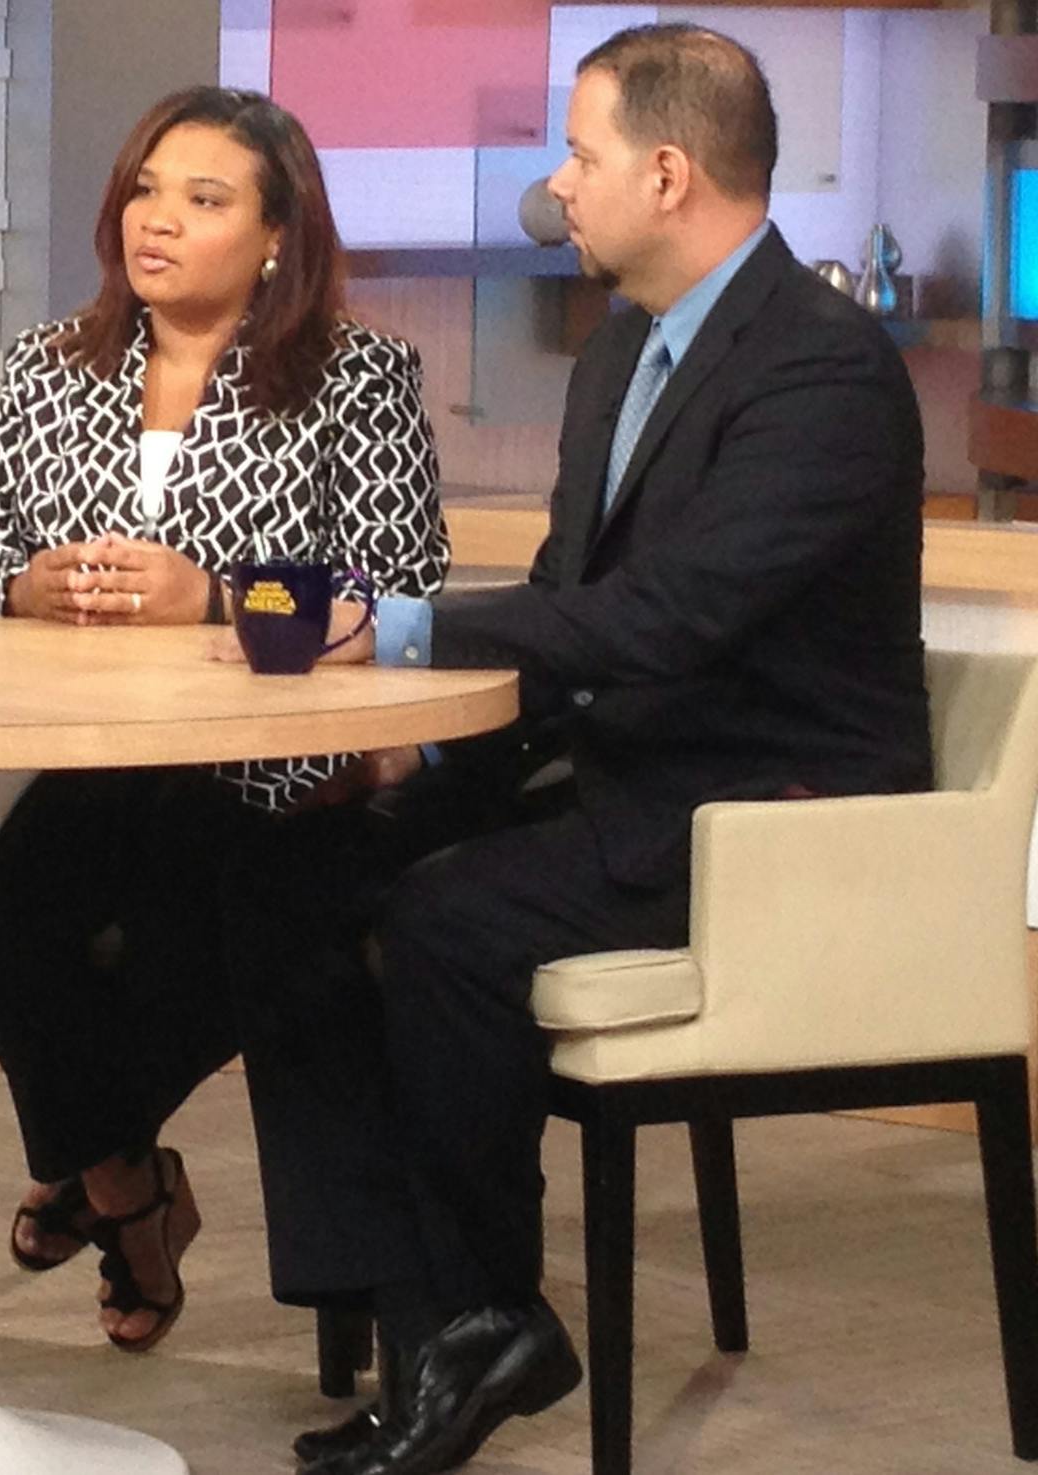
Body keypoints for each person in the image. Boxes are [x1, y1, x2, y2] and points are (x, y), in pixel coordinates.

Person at [269, 25, 931, 1475]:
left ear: (670, 171)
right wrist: (424, 764)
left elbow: (667, 620)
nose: (557, 186)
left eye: (580, 153)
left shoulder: (823, 371)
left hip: (770, 814)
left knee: (447, 920)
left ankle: (486, 1317)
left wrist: (392, 631)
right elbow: (578, 610)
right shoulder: (624, 345)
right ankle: (425, 1310)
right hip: (637, 769)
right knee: (307, 871)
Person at [0, 85, 449, 1353]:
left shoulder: (358, 379)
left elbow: (400, 596)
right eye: (145, 190)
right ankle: (128, 1182)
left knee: (193, 910)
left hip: (263, 776)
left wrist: (211, 595)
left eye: (203, 200)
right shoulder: (49, 367)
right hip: (68, 765)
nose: (154, 221)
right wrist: (18, 582)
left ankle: (91, 1170)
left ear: (278, 237)